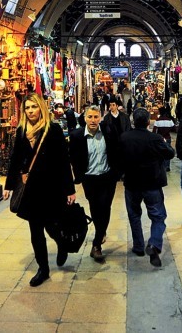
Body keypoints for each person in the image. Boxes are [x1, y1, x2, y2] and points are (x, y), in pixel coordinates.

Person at [3, 92, 76, 287]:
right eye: (27, 108)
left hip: (51, 187)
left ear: (41, 107)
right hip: (31, 190)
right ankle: (43, 268)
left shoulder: (52, 130)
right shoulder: (21, 131)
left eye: (33, 107)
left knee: (52, 225)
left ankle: (61, 243)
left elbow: (63, 161)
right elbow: (16, 159)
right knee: (35, 230)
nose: (30, 111)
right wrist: (9, 185)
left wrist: (70, 189)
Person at [119, 108, 175, 267]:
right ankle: (154, 244)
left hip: (132, 183)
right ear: (148, 121)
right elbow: (170, 154)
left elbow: (118, 158)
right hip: (152, 183)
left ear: (133, 121)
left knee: (134, 214)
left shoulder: (124, 138)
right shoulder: (155, 138)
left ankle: (138, 246)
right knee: (158, 216)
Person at [69, 105, 119, 262]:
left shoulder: (107, 132)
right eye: (90, 117)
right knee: (96, 208)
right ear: (84, 118)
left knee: (105, 207)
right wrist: (79, 176)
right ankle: (101, 231)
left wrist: (116, 172)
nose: (93, 120)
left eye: (96, 117)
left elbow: (117, 150)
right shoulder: (77, 136)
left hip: (107, 177)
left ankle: (96, 244)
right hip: (89, 179)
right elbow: (74, 158)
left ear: (100, 118)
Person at [153, 106, 176, 171]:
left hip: (160, 139)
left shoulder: (157, 121)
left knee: (160, 152)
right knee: (168, 152)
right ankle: (167, 166)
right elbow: (174, 129)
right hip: (168, 138)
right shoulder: (170, 120)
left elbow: (154, 131)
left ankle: (161, 166)